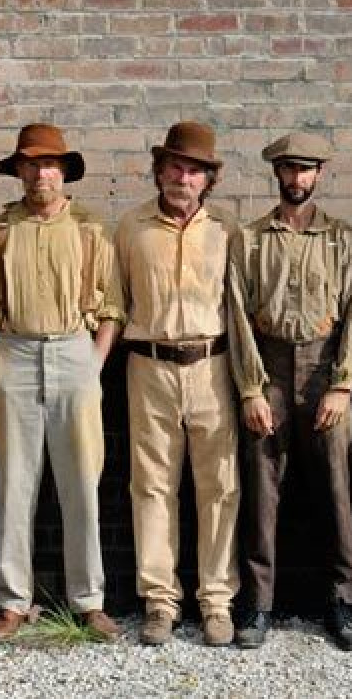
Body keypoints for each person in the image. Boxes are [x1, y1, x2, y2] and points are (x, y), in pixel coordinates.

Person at [0, 123, 124, 641]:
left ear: (64, 171)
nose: (39, 174)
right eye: (29, 165)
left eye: (48, 164)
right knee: (15, 483)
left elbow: (113, 307)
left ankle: (88, 600)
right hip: (14, 352)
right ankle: (12, 602)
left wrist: (94, 362)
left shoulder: (91, 228)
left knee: (81, 482)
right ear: (19, 172)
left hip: (74, 350)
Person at [226, 132, 352, 651]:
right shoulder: (248, 240)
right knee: (262, 490)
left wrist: (343, 384)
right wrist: (250, 388)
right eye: (288, 169)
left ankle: (345, 602)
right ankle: (258, 604)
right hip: (270, 370)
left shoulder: (344, 241)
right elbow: (237, 316)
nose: (297, 179)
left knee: (336, 487)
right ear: (276, 173)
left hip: (324, 370)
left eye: (306, 169)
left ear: (319, 174)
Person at [114, 122, 239, 648]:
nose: (182, 178)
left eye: (193, 170)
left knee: (220, 486)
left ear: (207, 179)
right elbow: (115, 302)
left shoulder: (227, 231)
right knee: (152, 485)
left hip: (213, 366)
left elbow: (239, 308)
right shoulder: (130, 228)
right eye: (174, 167)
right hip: (149, 366)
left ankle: (216, 601)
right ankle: (160, 601)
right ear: (159, 170)